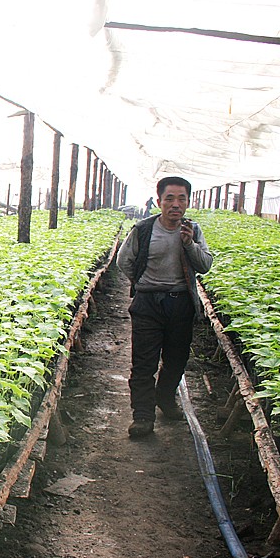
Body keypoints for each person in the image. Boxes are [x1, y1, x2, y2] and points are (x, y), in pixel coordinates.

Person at [117, 176, 213, 438]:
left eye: (181, 199)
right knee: (144, 362)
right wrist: (143, 283)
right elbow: (123, 261)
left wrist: (189, 244)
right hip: (148, 303)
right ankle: (143, 416)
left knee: (176, 360)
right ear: (158, 202)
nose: (175, 204)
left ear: (188, 202)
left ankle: (165, 397)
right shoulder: (143, 229)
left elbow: (205, 264)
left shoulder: (192, 230)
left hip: (181, 303)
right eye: (169, 198)